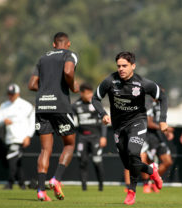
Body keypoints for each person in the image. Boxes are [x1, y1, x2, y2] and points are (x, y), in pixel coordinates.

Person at [92, 51, 168, 205]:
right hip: (118, 126)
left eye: (124, 66)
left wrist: (163, 120)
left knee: (134, 154)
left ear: (133, 66)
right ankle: (151, 170)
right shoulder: (110, 81)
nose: (121, 69)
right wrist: (103, 114)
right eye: (119, 66)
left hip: (137, 122)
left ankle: (131, 192)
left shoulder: (143, 83)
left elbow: (163, 97)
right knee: (128, 164)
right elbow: (95, 98)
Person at [28, 32, 79, 201]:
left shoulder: (43, 59)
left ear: (54, 44)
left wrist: (45, 91)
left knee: (45, 150)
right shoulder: (69, 54)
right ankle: (56, 179)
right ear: (68, 44)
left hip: (42, 106)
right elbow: (68, 72)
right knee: (70, 144)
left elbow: (32, 85)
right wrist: (72, 86)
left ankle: (41, 191)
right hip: (60, 106)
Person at [0, 84, 35, 190]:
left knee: (12, 160)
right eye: (9, 94)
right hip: (9, 139)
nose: (10, 96)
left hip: (21, 138)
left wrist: (28, 136)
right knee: (17, 162)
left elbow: (32, 122)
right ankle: (22, 184)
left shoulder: (26, 105)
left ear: (17, 94)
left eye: (12, 94)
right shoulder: (4, 105)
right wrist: (3, 121)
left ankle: (10, 182)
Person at [72, 83, 107, 191]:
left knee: (97, 161)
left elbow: (103, 121)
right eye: (87, 93)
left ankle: (101, 186)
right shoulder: (75, 106)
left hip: (95, 137)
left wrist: (103, 136)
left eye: (91, 93)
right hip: (82, 138)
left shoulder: (96, 104)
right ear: (81, 93)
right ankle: (84, 187)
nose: (89, 96)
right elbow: (72, 122)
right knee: (82, 161)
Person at [141, 95, 174, 193]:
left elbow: (161, 123)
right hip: (148, 137)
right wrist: (165, 128)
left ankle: (154, 180)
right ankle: (146, 184)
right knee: (147, 161)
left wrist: (167, 132)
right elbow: (149, 123)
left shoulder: (161, 105)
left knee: (168, 161)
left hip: (159, 138)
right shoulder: (148, 103)